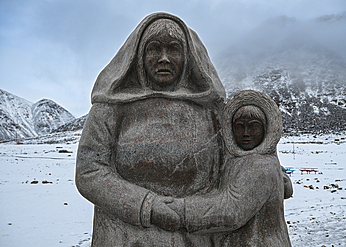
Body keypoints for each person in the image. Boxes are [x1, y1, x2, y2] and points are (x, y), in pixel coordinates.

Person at [75, 13, 226, 246]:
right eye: (154, 49)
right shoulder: (113, 107)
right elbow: (89, 170)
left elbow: (239, 155)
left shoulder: (211, 109)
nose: (164, 58)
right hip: (126, 238)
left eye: (174, 49)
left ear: (188, 57)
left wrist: (266, 174)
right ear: (139, 55)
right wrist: (147, 206)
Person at [154, 90, 292, 246]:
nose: (246, 133)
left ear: (266, 130)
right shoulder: (240, 159)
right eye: (240, 127)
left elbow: (231, 211)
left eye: (254, 127)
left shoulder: (261, 166)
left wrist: (180, 210)